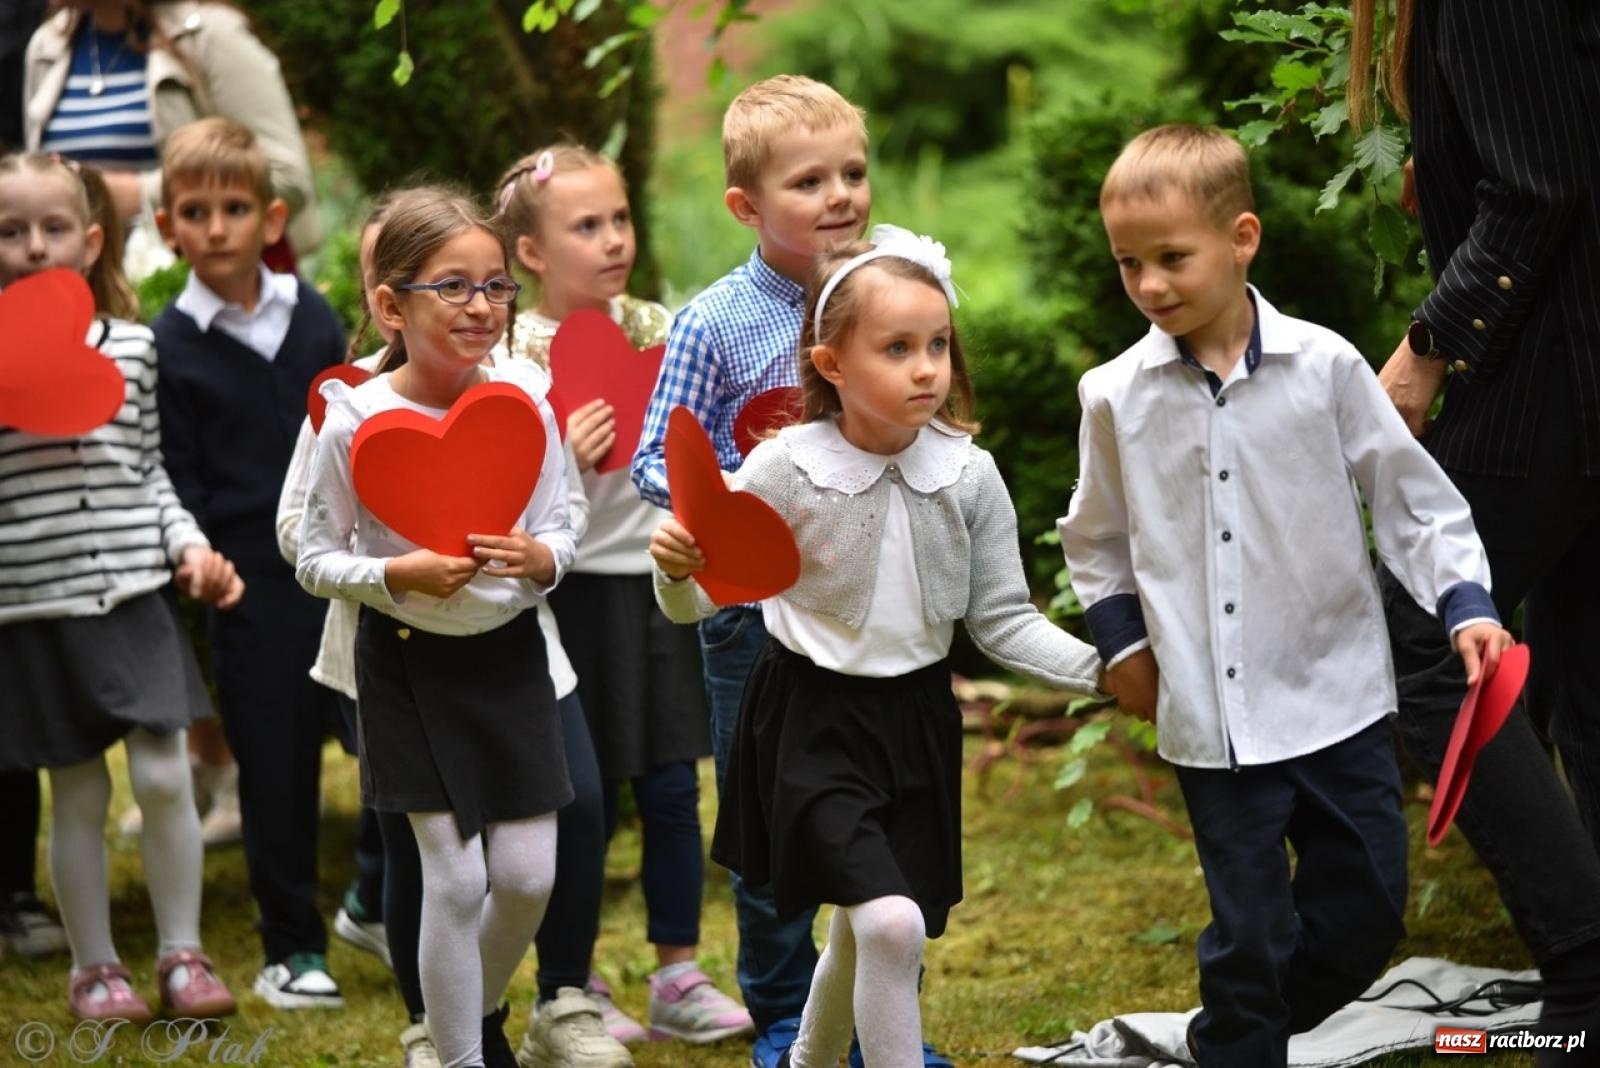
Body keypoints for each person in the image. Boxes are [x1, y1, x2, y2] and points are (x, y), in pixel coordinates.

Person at [1057, 123, 1514, 1068]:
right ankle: (1246, 1044)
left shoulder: (1327, 367)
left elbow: (1411, 500)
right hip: (1212, 719)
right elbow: (1094, 538)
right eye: (1128, 264)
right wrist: (1125, 647)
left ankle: (1242, 1029)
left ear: (1242, 238)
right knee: (1251, 928)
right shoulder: (1114, 396)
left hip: (1337, 697)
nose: (1149, 285)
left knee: (1367, 909)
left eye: (1171, 258)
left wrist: (1465, 604)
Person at [650, 226, 1104, 1067]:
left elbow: (1003, 619)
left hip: (918, 722)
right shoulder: (784, 469)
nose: (927, 368)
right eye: (897, 349)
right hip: (809, 723)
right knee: (891, 924)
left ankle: (806, 1061)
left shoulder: (970, 474)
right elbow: (695, 601)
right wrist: (675, 569)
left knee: (871, 928)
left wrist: (1108, 673)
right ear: (832, 364)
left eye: (937, 344)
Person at [633, 73, 947, 1068]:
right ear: (747, 205)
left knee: (889, 812)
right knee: (771, 813)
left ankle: (879, 1024)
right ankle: (780, 1015)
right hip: (753, 614)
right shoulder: (716, 323)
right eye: (809, 182)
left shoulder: (897, 287)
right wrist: (746, 497)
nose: (841, 195)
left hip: (879, 603)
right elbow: (656, 458)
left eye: (852, 172)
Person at [1349, 0, 1600, 1053]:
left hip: (1555, 373)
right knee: (1583, 672)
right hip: (1573, 363)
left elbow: (1541, 183)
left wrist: (1427, 345)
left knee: (1430, 634)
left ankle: (1584, 972)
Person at [296, 185, 577, 1068]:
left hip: (511, 658)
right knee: (453, 881)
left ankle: (469, 1013)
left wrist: (542, 558)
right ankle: (458, 1054)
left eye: (496, 286)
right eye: (453, 287)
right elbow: (312, 556)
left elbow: (563, 522)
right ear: (392, 306)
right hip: (407, 664)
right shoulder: (354, 419)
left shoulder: (528, 400)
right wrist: (394, 575)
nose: (481, 306)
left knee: (527, 877)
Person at [496, 143, 747, 1063]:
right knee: (584, 796)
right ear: (531, 252)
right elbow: (497, 488)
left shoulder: (659, 328)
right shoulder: (511, 357)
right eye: (586, 226)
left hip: (656, 582)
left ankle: (678, 973)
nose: (613, 241)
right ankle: (578, 980)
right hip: (566, 598)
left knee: (674, 783)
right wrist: (558, 449)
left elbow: (693, 438)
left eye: (620, 220)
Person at [0, 151, 242, 1020]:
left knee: (166, 776)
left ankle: (183, 954)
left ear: (92, 239)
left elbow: (149, 473)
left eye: (54, 227)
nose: (35, 246)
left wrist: (190, 546)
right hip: (39, 606)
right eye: (12, 231)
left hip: (136, 593)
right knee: (79, 792)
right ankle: (95, 969)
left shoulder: (134, 350)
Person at [149, 117, 347, 1009]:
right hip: (248, 584)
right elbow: (177, 471)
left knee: (385, 741)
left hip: (342, 572)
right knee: (275, 768)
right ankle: (291, 947)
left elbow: (349, 438)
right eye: (196, 212)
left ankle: (382, 903)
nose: (217, 226)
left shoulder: (312, 315)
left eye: (235, 208)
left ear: (270, 219)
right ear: (168, 228)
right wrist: (203, 558)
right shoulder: (170, 344)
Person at [23, 0, 320, 273]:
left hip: (201, 286)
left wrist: (141, 195)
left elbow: (286, 173)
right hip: (82, 288)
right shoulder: (47, 44)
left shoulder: (211, 35)